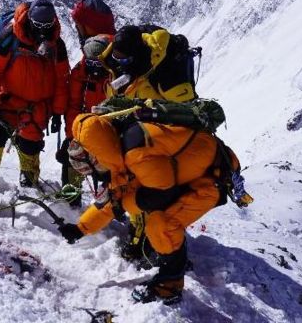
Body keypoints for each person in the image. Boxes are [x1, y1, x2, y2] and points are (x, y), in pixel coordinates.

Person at [56, 114, 238, 305]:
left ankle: (170, 286)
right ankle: (173, 253)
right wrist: (80, 228)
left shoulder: (135, 154)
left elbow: (160, 195)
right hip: (189, 175)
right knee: (151, 213)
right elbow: (113, 201)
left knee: (162, 225)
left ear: (96, 157)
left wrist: (124, 204)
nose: (97, 175)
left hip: (212, 180)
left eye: (92, 170)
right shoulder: (116, 147)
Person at [97, 23, 198, 260]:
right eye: (116, 57)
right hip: (133, 133)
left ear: (135, 55)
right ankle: (142, 238)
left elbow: (186, 111)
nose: (118, 62)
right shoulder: (116, 61)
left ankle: (147, 243)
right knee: (134, 185)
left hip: (159, 138)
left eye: (123, 59)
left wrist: (152, 114)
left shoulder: (164, 71)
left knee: (146, 188)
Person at [0, 0, 69, 203]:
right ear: (30, 20)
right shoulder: (9, 37)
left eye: (47, 26)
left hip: (38, 106)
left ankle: (28, 184)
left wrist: (58, 111)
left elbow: (61, 80)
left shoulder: (56, 45)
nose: (42, 31)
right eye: (39, 26)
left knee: (31, 144)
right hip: (8, 101)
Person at [59, 0, 116, 206]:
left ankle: (72, 204)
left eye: (79, 25)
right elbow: (75, 104)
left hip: (107, 139)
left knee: (102, 173)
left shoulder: (102, 64)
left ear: (88, 27)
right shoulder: (87, 64)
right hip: (96, 136)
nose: (76, 29)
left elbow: (75, 103)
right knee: (72, 158)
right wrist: (71, 137)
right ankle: (109, 210)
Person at [101, 24, 196, 103]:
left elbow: (185, 108)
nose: (120, 64)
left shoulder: (166, 69)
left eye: (125, 60)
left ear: (136, 55)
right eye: (116, 58)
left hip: (158, 123)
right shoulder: (111, 63)